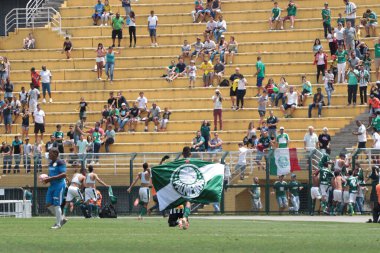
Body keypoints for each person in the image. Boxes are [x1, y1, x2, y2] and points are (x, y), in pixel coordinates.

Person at [42, 148, 67, 229]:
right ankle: (61, 219)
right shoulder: (51, 163)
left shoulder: (60, 162)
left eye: (50, 153)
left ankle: (58, 224)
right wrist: (46, 179)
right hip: (52, 185)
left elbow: (63, 175)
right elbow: (51, 174)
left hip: (59, 185)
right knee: (48, 204)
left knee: (56, 204)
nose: (48, 155)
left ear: (55, 154)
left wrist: (50, 179)